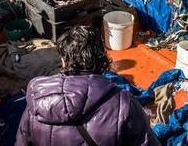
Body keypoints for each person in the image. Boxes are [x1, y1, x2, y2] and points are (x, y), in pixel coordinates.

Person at [16, 25, 159, 146]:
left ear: (64, 61)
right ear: (102, 58)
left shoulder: (37, 101)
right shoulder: (124, 105)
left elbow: (22, 142)